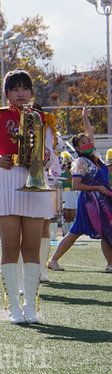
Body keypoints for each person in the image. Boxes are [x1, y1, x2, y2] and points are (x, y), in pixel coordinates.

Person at [0, 71, 56, 324]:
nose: (20, 93)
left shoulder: (43, 119)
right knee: (10, 248)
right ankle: (13, 307)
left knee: (31, 248)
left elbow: (50, 153)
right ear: (6, 94)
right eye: (14, 89)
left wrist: (42, 157)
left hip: (35, 180)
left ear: (31, 92)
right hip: (7, 180)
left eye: (25, 88)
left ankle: (30, 305)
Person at [48, 107, 112, 272]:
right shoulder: (81, 162)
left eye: (88, 141)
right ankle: (53, 260)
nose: (88, 142)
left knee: (105, 230)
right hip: (90, 202)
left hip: (101, 200)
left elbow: (89, 131)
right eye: (83, 142)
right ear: (78, 148)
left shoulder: (95, 156)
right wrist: (97, 187)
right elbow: (76, 185)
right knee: (76, 232)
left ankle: (110, 264)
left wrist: (84, 116)